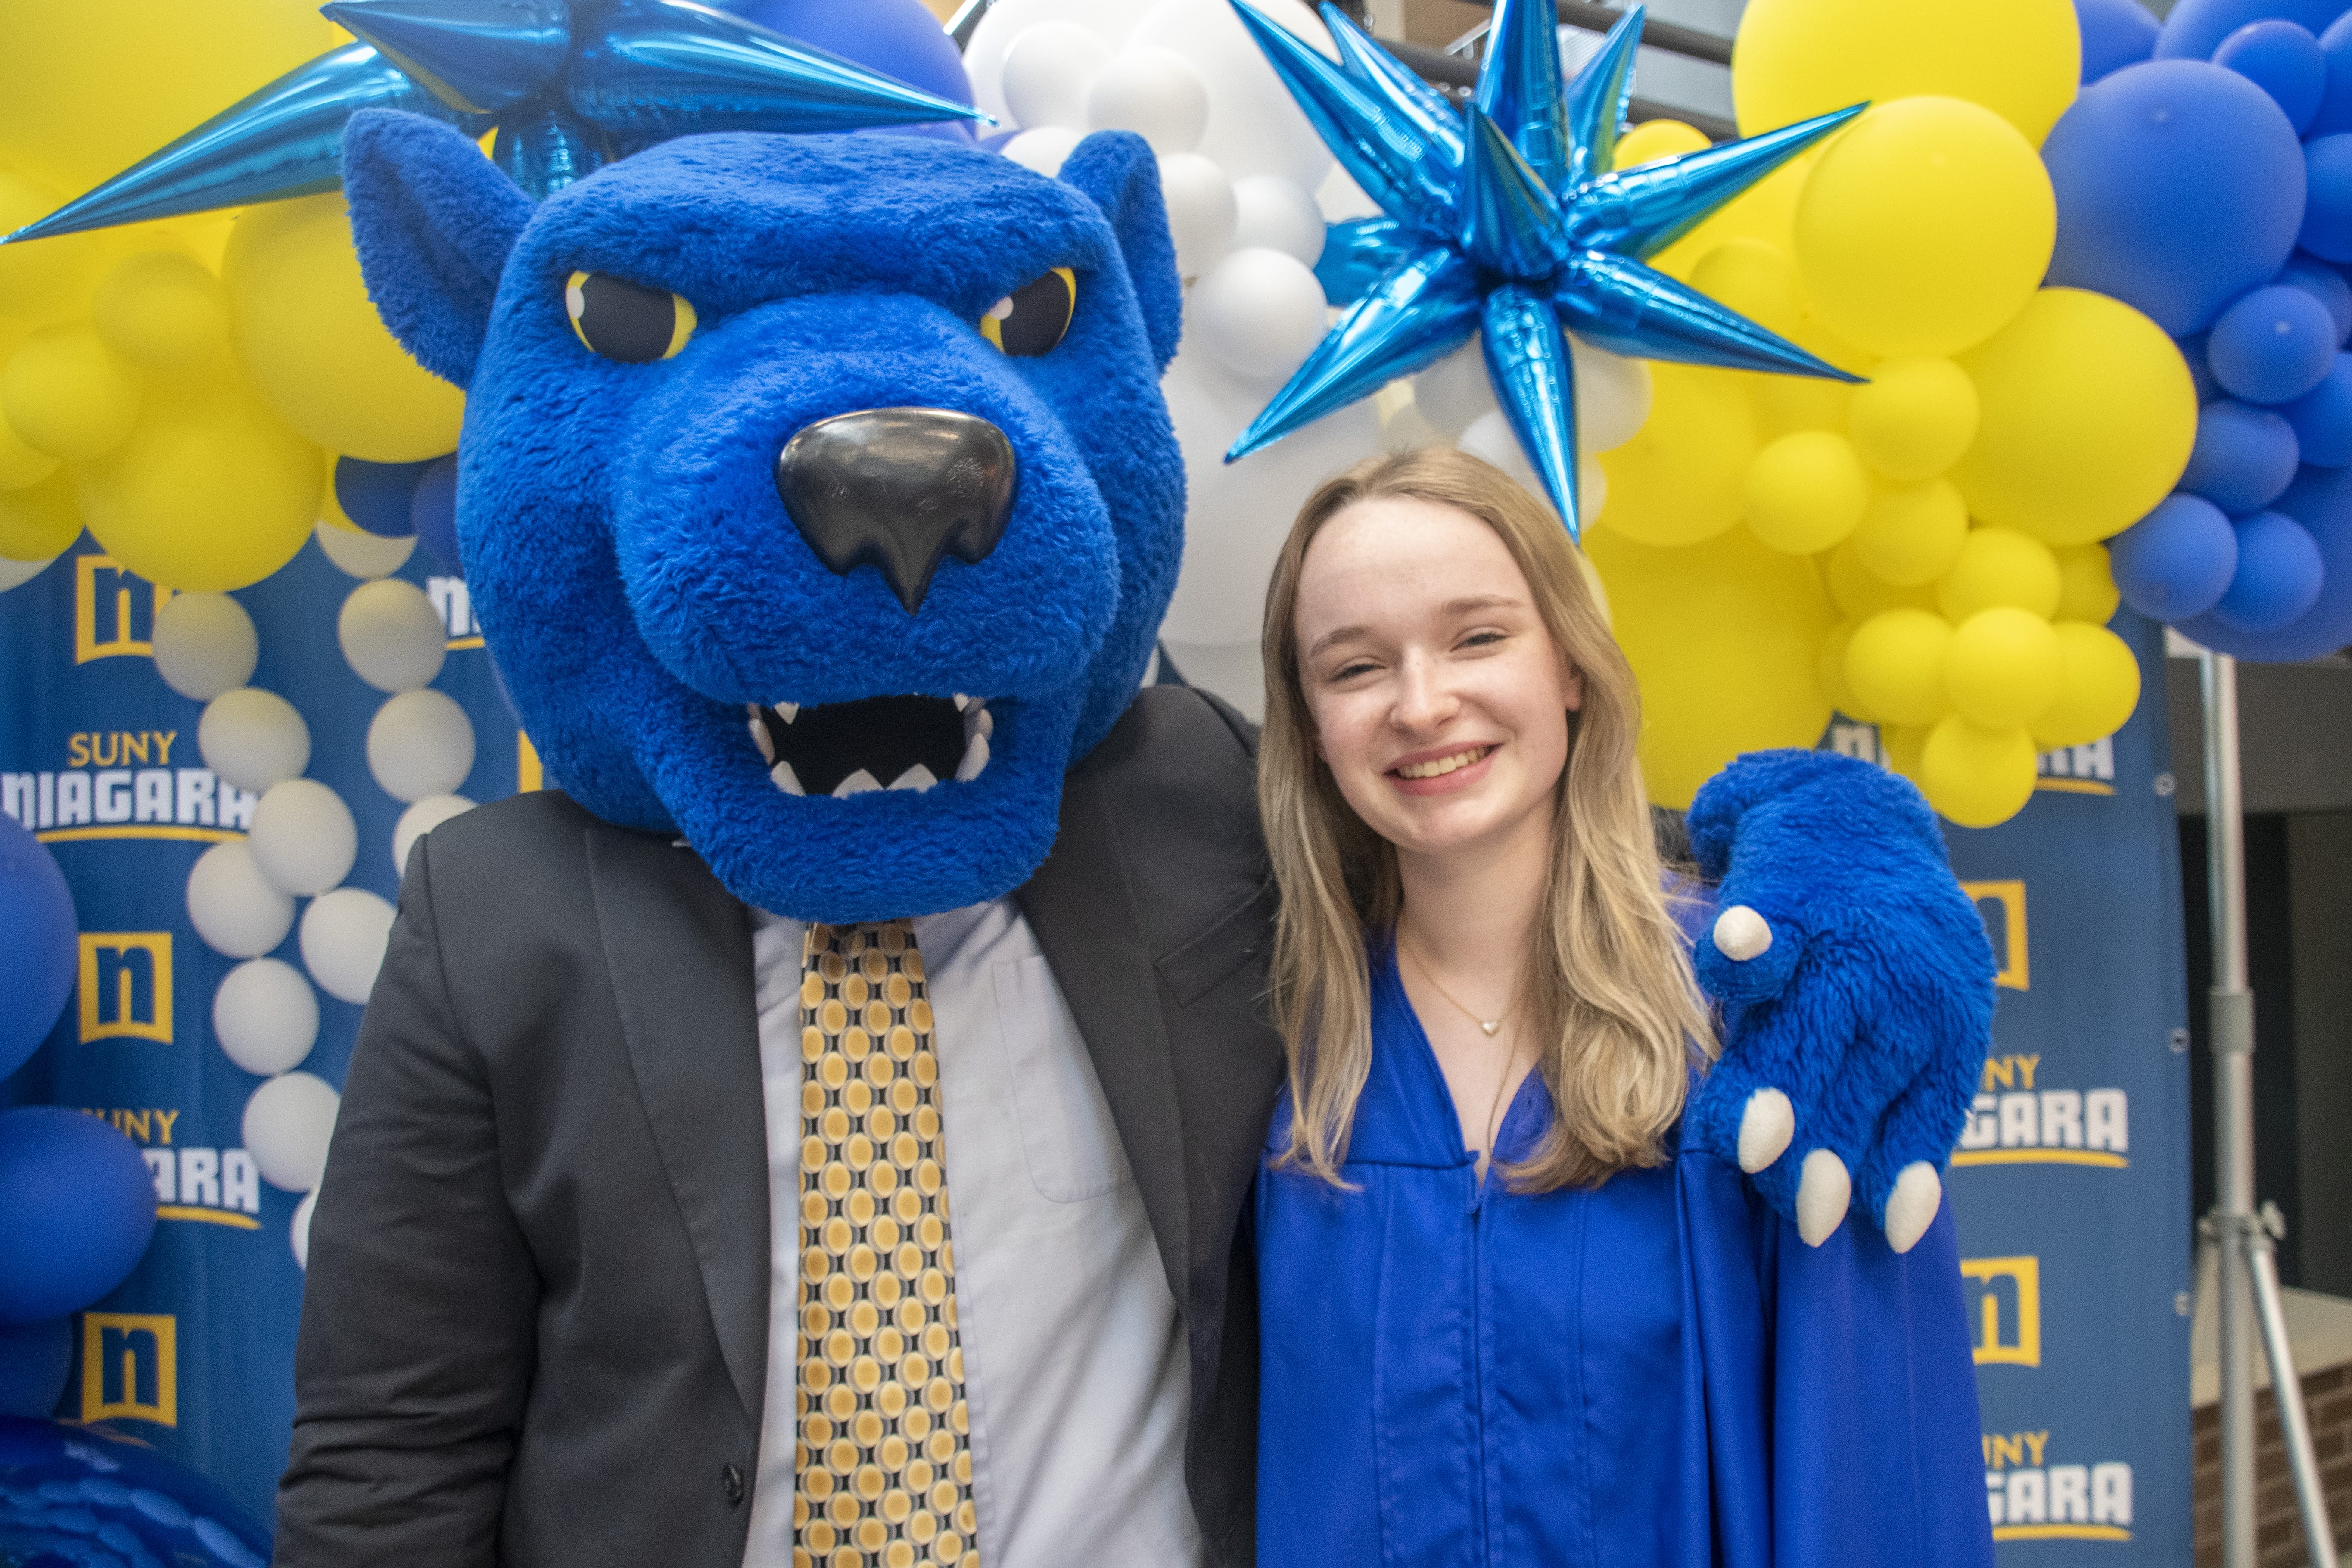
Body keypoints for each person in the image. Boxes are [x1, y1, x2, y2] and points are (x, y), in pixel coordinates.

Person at [1250, 447, 1994, 1567]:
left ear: (1570, 667)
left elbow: (1877, 1465)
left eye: (1477, 637)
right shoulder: (1280, 1055)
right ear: (1310, 725)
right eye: (1354, 667)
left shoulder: (1765, 1020)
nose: (1420, 703)